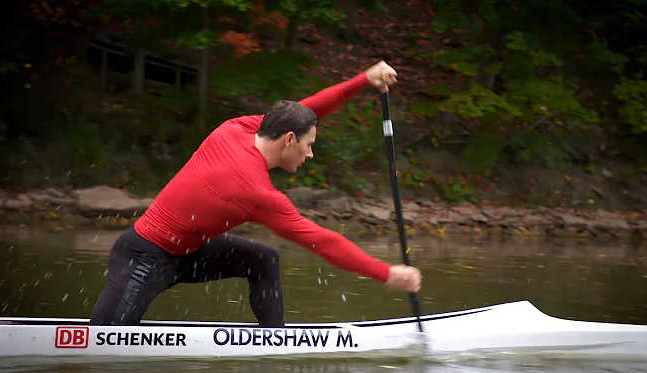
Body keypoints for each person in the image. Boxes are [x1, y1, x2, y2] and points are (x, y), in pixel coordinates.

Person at [89, 61, 422, 327]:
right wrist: (386, 273)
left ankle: (273, 343)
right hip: (145, 257)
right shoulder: (254, 191)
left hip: (187, 253)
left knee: (263, 259)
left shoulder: (238, 128)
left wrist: (364, 79)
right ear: (289, 140)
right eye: (308, 146)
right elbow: (323, 241)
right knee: (99, 344)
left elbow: (306, 110)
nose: (310, 155)